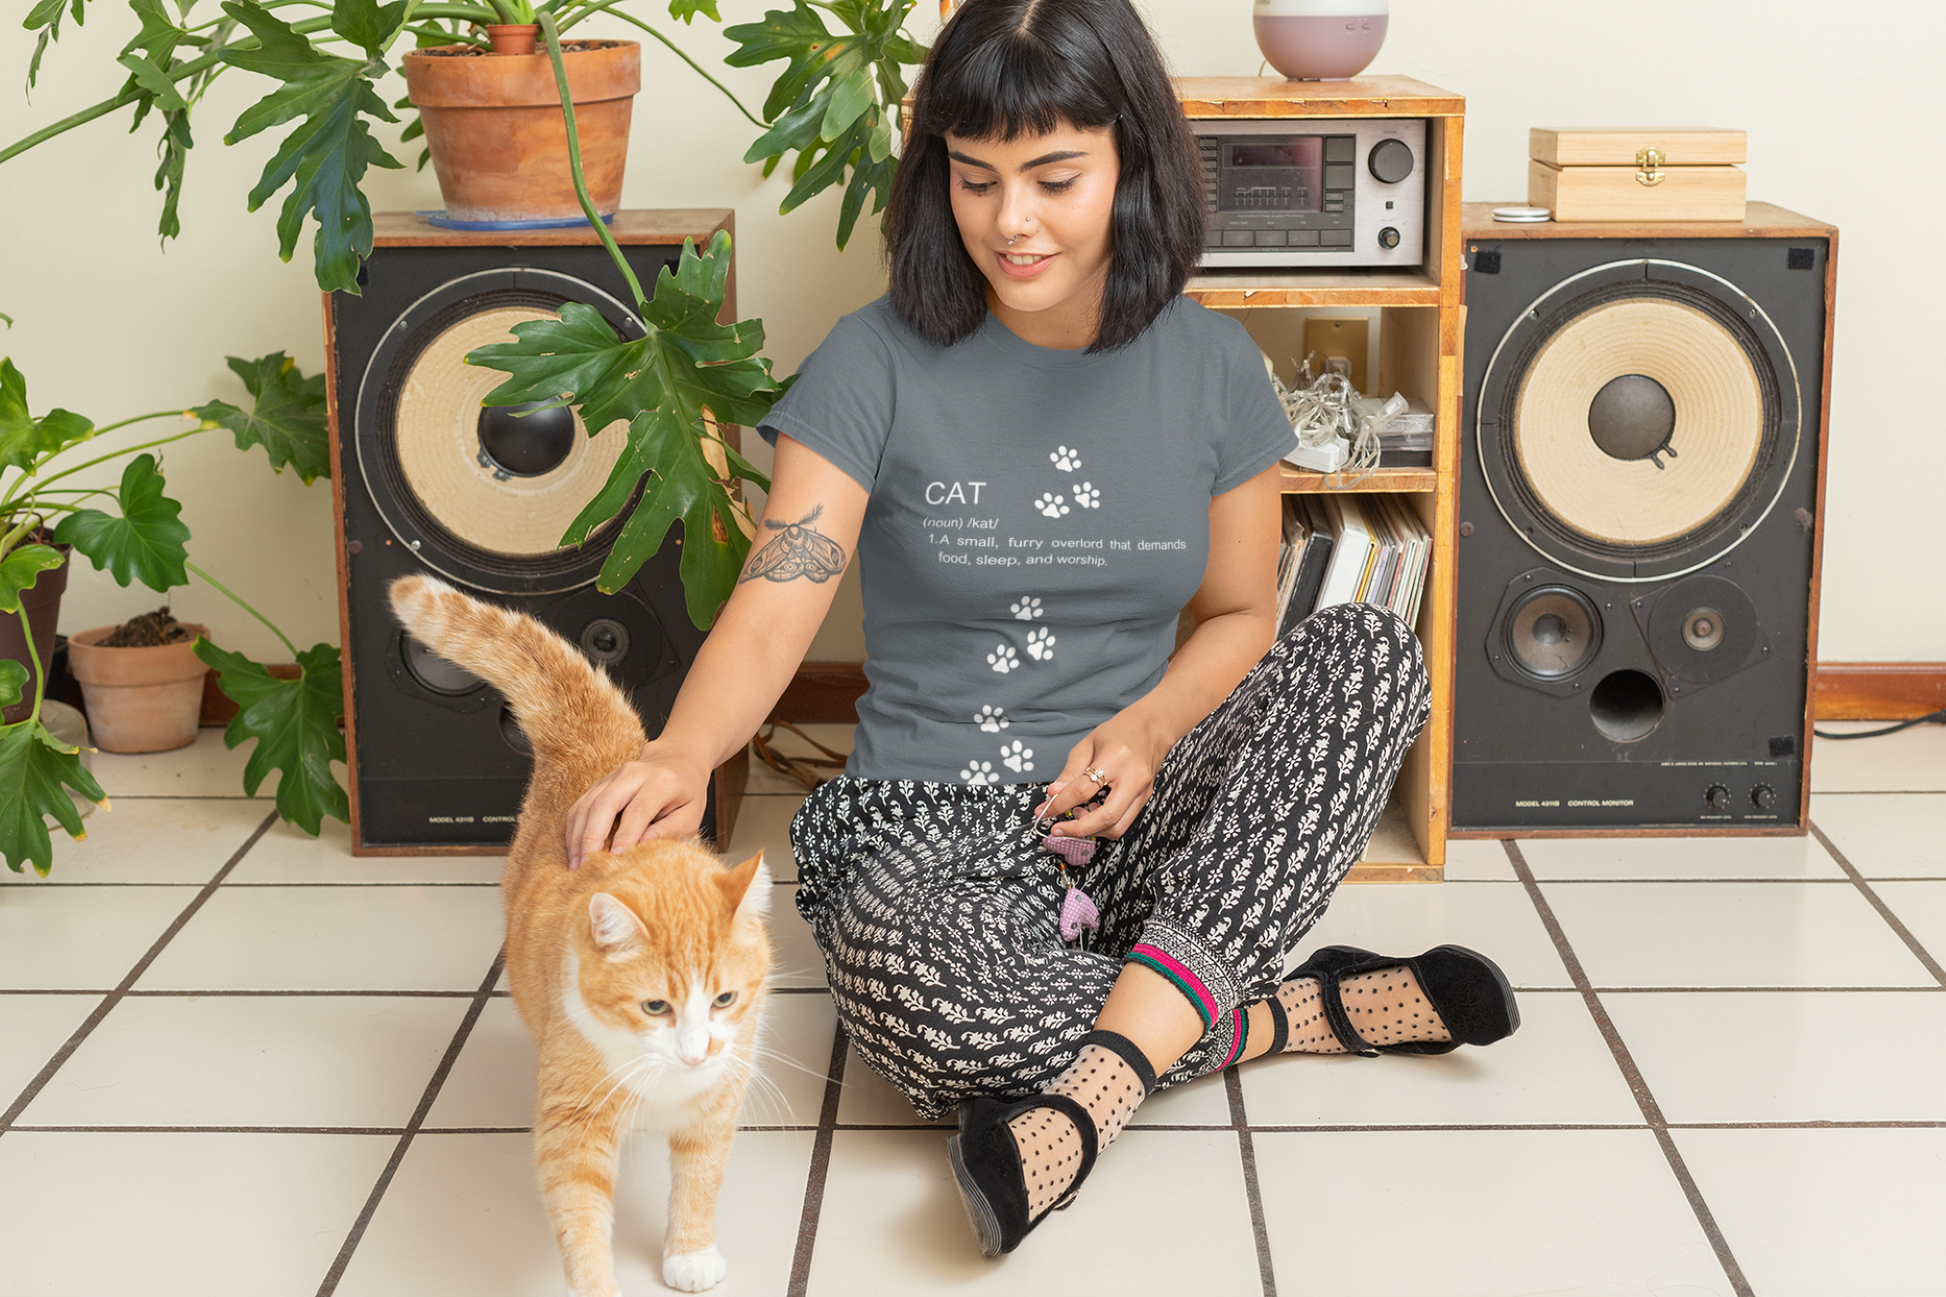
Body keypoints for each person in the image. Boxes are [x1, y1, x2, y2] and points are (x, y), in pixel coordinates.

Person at [564, 0, 1518, 1258]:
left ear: (1130, 161)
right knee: (933, 1016)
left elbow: (1238, 615)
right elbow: (780, 590)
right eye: (975, 179)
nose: (1010, 222)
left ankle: (1087, 1088)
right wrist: (681, 754)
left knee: (1366, 660)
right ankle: (1273, 1010)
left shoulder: (1213, 370)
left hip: (1132, 798)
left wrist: (1145, 725)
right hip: (924, 833)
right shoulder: (872, 363)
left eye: (1054, 177)